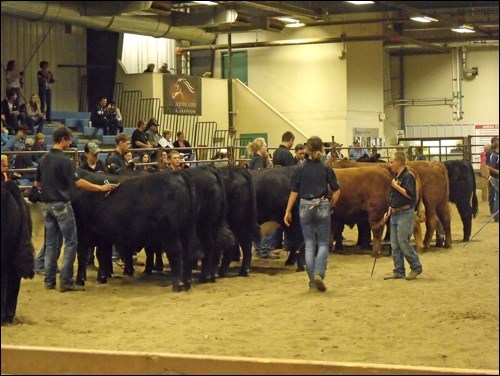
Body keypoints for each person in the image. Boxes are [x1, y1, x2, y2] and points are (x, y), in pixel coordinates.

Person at [34, 126, 116, 292]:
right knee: (71, 242)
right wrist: (100, 188)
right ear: (63, 139)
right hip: (62, 204)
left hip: (47, 205)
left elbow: (37, 184)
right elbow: (78, 183)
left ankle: (49, 281)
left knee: (51, 243)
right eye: (69, 140)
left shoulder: (43, 159)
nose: (70, 143)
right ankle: (66, 281)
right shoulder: (64, 161)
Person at [284, 136, 340, 292]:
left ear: (306, 149)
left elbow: (294, 192)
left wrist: (288, 210)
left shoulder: (299, 168)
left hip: (305, 206)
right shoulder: (326, 168)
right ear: (322, 149)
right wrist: (330, 205)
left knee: (309, 244)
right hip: (322, 204)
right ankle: (319, 274)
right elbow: (336, 191)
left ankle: (311, 281)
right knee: (323, 243)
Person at [383, 151, 423, 281]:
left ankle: (416, 266)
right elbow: (394, 197)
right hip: (395, 213)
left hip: (405, 213)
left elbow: (411, 195)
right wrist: (389, 209)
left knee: (403, 242)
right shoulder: (397, 176)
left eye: (392, 161)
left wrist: (396, 186)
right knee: (395, 244)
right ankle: (398, 270)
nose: (390, 164)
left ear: (399, 162)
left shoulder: (408, 176)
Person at [486, 136, 499, 215]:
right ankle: (493, 212)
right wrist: (489, 177)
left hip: (495, 176)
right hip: (493, 177)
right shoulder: (491, 154)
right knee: (493, 194)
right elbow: (488, 166)